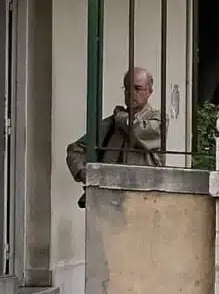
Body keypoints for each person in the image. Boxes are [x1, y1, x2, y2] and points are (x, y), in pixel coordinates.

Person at [66, 67, 165, 207]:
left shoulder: (157, 119)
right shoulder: (112, 123)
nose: (131, 93)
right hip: (110, 199)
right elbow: (75, 149)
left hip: (145, 198)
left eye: (137, 88)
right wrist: (84, 173)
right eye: (127, 88)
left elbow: (141, 132)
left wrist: (121, 117)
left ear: (150, 91)